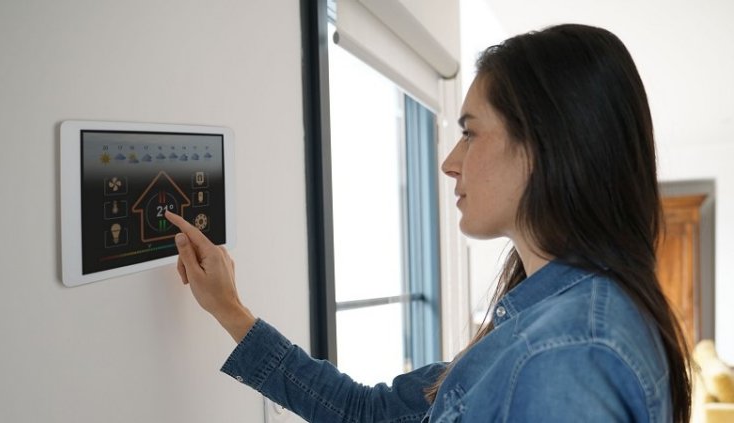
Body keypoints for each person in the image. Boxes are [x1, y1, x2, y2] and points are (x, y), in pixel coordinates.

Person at [164, 23, 691, 422]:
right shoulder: (544, 319)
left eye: (470, 132)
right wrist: (230, 312)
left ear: (541, 145)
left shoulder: (568, 354)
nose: (449, 162)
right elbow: (367, 413)